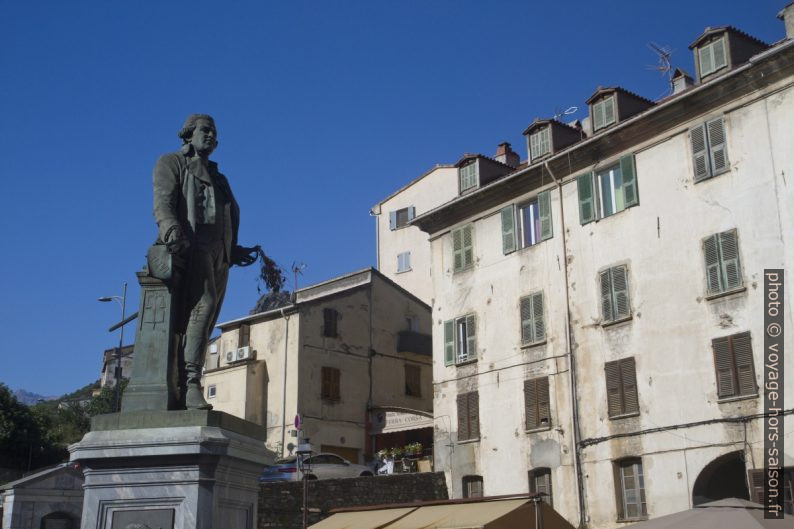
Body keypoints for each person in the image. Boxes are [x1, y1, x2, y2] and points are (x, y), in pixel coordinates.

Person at [152, 114, 254, 410]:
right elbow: (163, 202)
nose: (210, 135)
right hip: (191, 245)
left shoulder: (219, 177)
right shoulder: (172, 162)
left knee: (207, 318)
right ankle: (190, 384)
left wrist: (233, 249)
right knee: (203, 304)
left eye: (214, 132)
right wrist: (170, 228)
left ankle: (189, 379)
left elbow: (226, 213)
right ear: (188, 134)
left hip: (219, 254)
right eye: (204, 130)